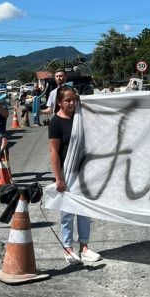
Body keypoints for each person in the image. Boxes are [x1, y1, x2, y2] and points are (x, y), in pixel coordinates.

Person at [48, 86, 102, 266]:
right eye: (67, 100)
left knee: (85, 211)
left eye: (74, 100)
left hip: (84, 171)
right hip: (67, 172)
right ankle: (68, 248)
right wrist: (59, 178)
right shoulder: (56, 122)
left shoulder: (80, 118)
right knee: (68, 213)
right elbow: (54, 152)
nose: (71, 103)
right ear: (59, 102)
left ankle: (84, 247)